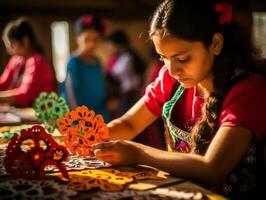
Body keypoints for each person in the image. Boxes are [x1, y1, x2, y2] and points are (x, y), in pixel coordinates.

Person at [93, 0, 266, 199]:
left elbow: (213, 168)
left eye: (182, 58)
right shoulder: (170, 80)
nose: (172, 70)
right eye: (163, 58)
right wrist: (92, 137)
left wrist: (137, 154)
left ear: (216, 44)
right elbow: (130, 124)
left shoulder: (248, 90)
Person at [61, 15, 110, 122]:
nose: (91, 44)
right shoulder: (74, 62)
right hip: (81, 119)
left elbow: (101, 86)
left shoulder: (97, 61)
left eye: (95, 39)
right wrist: (79, 119)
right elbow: (71, 95)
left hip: (99, 115)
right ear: (77, 39)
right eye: (87, 39)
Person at [0, 17, 57, 107]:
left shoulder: (38, 61)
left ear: (25, 41)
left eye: (12, 45)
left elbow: (26, 94)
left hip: (42, 112)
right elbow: (3, 83)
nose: (9, 50)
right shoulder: (16, 60)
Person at [105, 30, 147, 118]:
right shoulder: (125, 56)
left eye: (111, 45)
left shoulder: (127, 57)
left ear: (119, 45)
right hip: (130, 93)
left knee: (126, 118)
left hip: (130, 94)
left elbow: (115, 74)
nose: (109, 48)